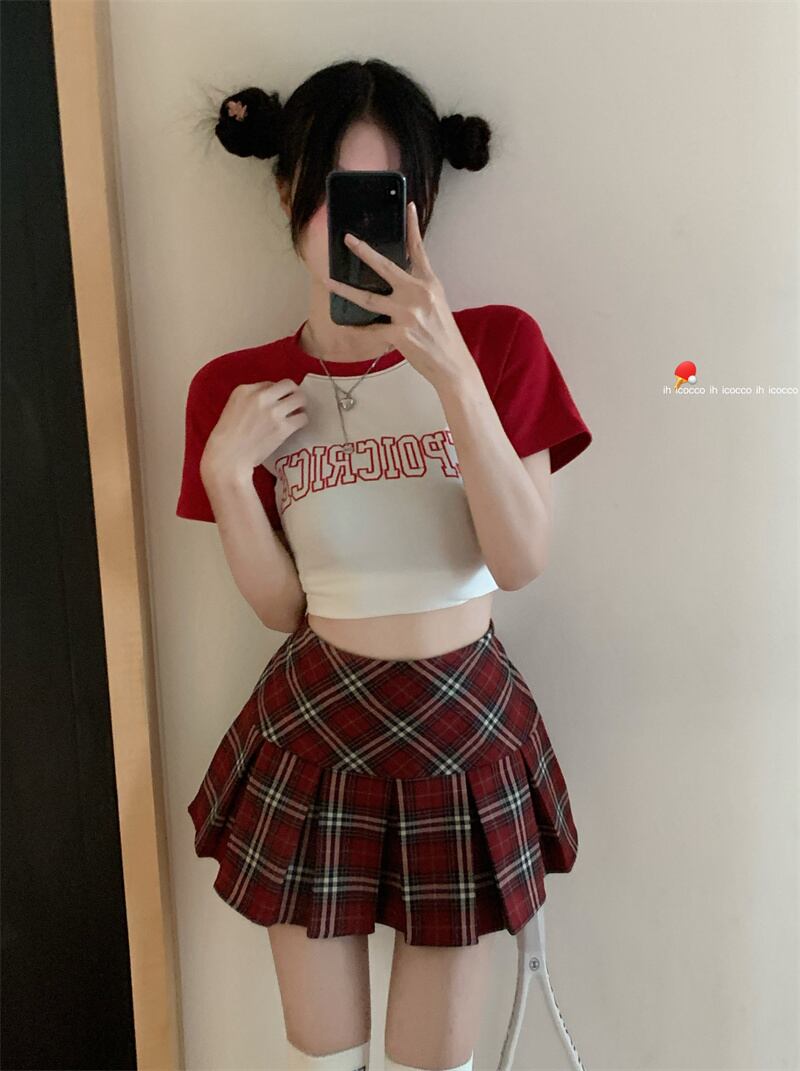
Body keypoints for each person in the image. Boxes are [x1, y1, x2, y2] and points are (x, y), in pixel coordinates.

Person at [177, 57, 592, 1071]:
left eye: (384, 196)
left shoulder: (497, 345)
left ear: (425, 203)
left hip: (460, 725)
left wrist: (450, 374)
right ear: (288, 191)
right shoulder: (238, 387)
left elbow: (519, 558)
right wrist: (228, 476)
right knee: (323, 1057)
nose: (354, 227)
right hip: (314, 727)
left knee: (431, 1063)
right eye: (332, 193)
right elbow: (282, 608)